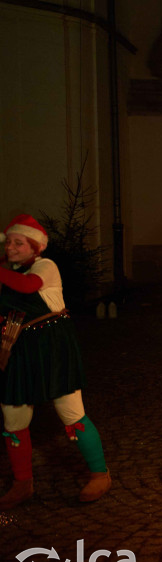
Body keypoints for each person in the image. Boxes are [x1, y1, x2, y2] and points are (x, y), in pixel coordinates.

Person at [0, 214, 111, 508]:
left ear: (35, 247)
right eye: (9, 242)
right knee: (13, 420)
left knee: (72, 414)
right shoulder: (5, 271)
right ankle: (23, 483)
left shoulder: (45, 266)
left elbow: (26, 287)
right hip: (20, 350)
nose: (11, 247)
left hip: (53, 348)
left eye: (19, 243)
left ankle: (100, 474)